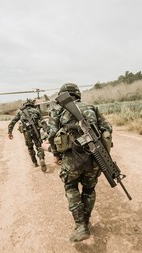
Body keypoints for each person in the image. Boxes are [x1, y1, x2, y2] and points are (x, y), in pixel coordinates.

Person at [47, 83, 112, 242]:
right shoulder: (92, 108)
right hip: (95, 158)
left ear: (62, 96)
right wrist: (105, 156)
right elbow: (107, 130)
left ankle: (80, 224)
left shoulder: (58, 112)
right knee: (89, 188)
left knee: (71, 186)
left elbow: (51, 135)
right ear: (78, 94)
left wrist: (56, 154)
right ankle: (87, 221)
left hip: (72, 160)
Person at [8, 99, 46, 172]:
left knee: (30, 147)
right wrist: (46, 131)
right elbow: (43, 122)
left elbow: (13, 122)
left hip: (26, 133)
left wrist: (9, 132)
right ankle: (41, 158)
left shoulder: (21, 112)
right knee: (39, 146)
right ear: (32, 104)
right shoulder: (36, 111)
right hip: (36, 131)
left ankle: (35, 162)